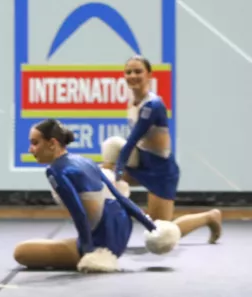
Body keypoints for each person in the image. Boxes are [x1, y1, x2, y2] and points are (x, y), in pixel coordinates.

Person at [14, 119, 180, 272]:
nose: (31, 149)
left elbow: (78, 213)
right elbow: (121, 198)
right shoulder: (85, 161)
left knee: (21, 252)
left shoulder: (55, 171)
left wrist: (88, 250)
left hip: (102, 243)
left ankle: (93, 251)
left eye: (35, 143)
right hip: (122, 233)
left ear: (52, 143)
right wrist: (153, 227)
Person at [107, 55, 222, 241]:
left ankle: (210, 217)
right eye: (128, 72)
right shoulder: (132, 103)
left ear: (149, 75)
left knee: (161, 232)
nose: (132, 75)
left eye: (138, 71)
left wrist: (118, 168)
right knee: (106, 176)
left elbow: (132, 140)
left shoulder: (153, 105)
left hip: (161, 171)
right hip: (141, 165)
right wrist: (112, 171)